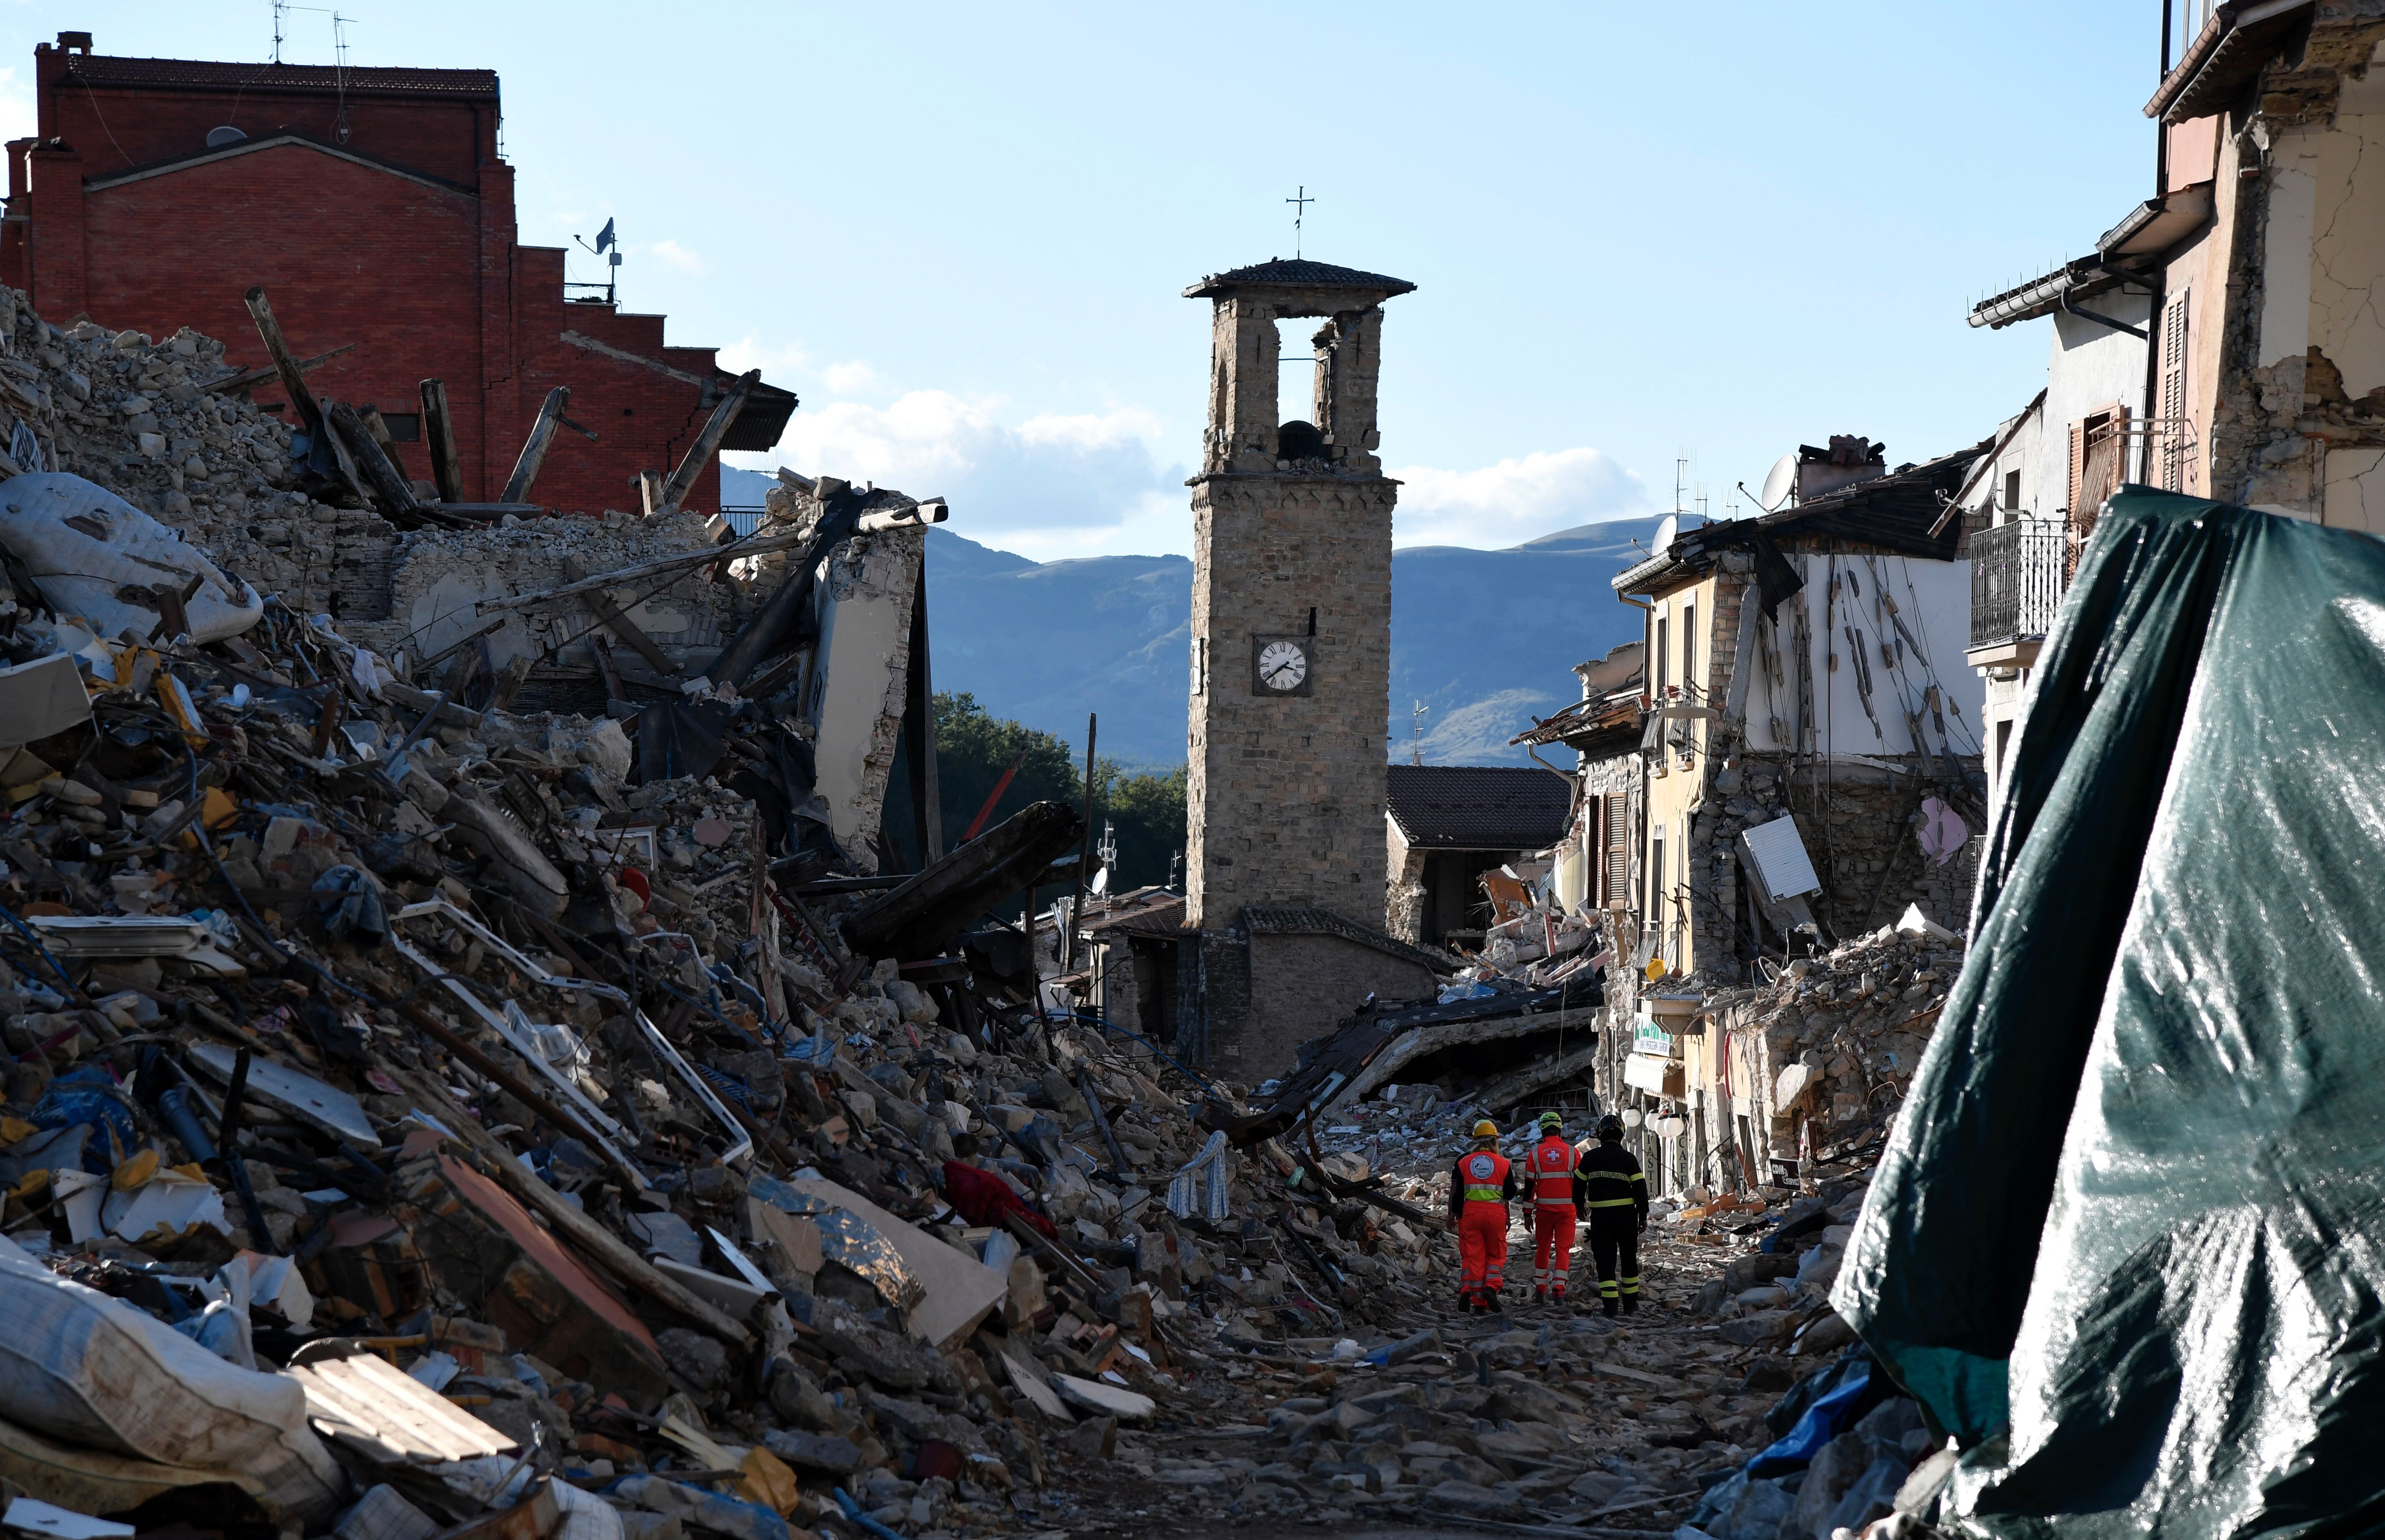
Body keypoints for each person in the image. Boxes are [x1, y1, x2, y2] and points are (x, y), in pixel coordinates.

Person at [1577, 1112, 1649, 1317]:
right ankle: (1630, 1305)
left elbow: (1579, 1183)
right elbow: (1640, 1188)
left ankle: (1610, 1307)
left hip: (1601, 1218)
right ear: (1621, 1135)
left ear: (1600, 1135)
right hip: (1627, 1217)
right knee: (1628, 1258)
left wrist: (1578, 1206)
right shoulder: (1629, 1159)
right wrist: (1643, 1215)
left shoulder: (1590, 1158)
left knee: (1605, 1260)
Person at [1446, 1118, 1517, 1313]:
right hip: (1495, 1215)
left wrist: (1455, 1214)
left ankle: (1478, 1304)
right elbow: (1510, 1193)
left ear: (1475, 1141)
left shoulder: (1464, 1162)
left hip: (1470, 1214)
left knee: (1475, 1258)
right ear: (1495, 1141)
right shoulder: (1503, 1163)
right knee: (1496, 1254)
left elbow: (1458, 1194)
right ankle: (1491, 1287)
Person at [1527, 1110, 1581, 1304]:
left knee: (1542, 1248)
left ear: (1542, 1131)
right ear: (1560, 1130)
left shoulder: (1534, 1154)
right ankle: (1559, 1288)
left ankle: (1541, 1289)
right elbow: (1581, 1183)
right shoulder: (1572, 1152)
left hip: (1544, 1212)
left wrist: (1526, 1214)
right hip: (1567, 1211)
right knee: (1563, 1249)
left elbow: (1529, 1186)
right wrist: (1582, 1206)